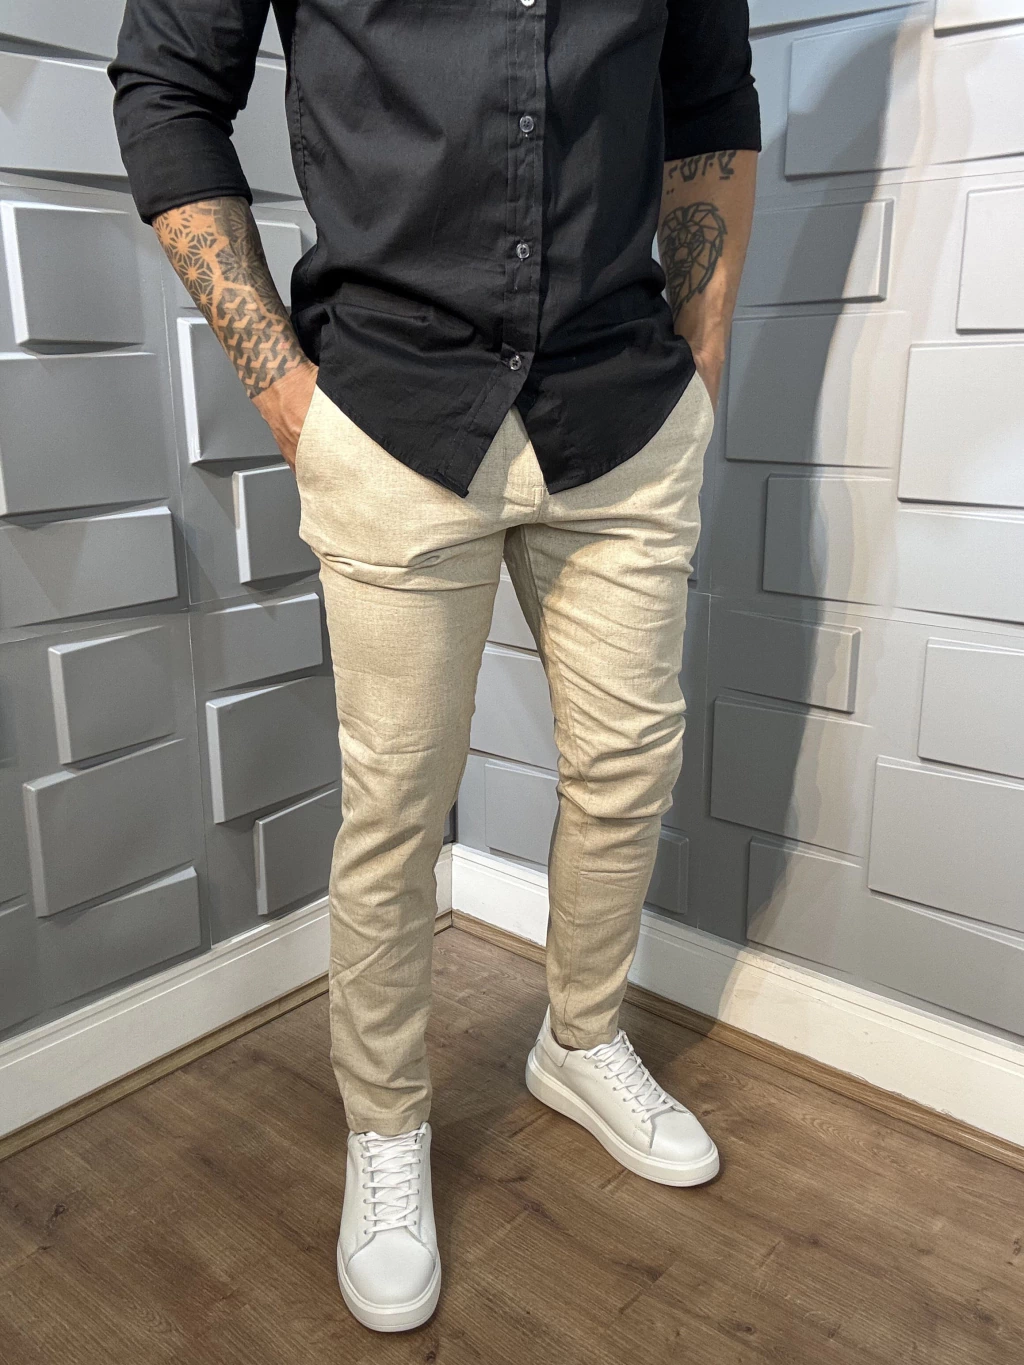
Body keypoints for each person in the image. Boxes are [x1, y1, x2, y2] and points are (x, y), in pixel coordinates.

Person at [109, 0, 760, 1334]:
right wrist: (287, 394)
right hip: (388, 414)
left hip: (625, 412)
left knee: (631, 763)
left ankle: (581, 1040)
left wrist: (703, 361)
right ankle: (386, 1123)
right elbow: (168, 90)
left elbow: (709, 99)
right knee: (396, 803)